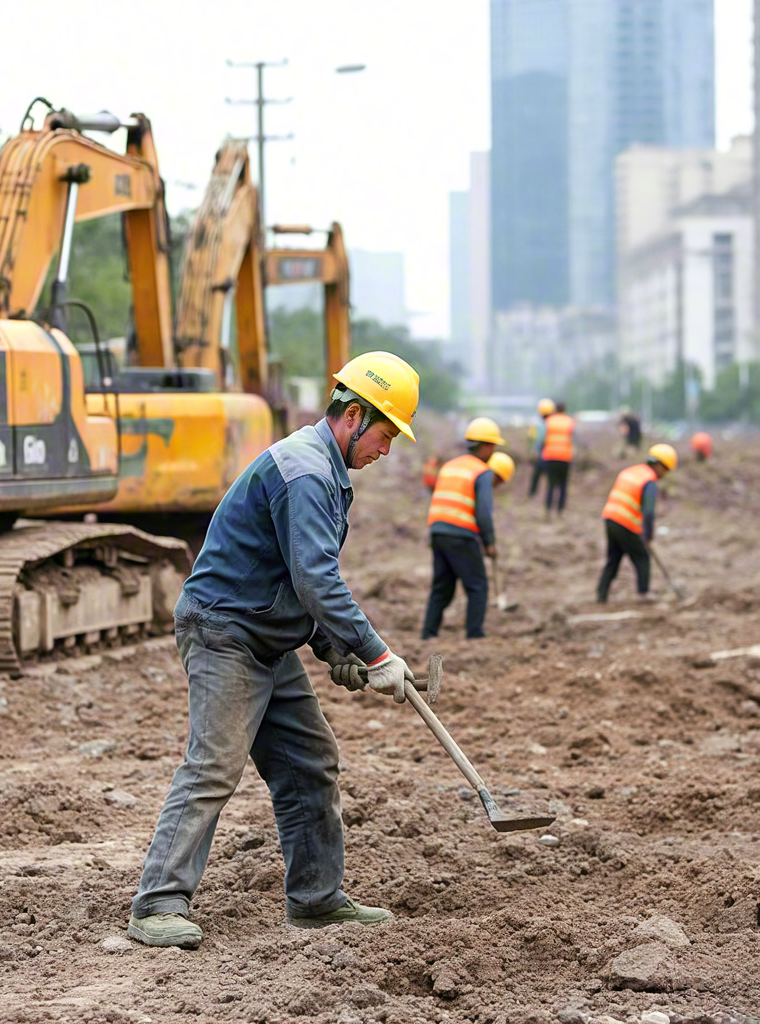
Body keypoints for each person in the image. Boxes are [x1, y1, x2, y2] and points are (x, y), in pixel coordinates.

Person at [128, 351, 420, 950]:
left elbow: (289, 576)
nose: (386, 450)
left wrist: (334, 648)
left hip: (264, 634)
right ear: (354, 416)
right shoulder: (307, 471)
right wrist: (374, 653)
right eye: (386, 435)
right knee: (214, 764)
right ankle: (157, 903)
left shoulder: (326, 470)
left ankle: (316, 899)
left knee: (310, 758)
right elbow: (316, 578)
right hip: (225, 631)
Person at [421, 416, 504, 640]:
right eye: (493, 446)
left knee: (441, 587)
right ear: (486, 446)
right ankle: (474, 635)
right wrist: (489, 542)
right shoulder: (482, 471)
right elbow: (483, 512)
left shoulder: (449, 466)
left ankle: (428, 633)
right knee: (478, 586)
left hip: (438, 531)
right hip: (461, 534)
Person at [596, 443, 677, 603]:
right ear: (660, 466)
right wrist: (648, 536)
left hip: (610, 518)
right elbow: (649, 512)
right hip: (625, 522)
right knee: (642, 557)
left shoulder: (631, 471)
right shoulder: (649, 481)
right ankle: (643, 593)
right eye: (666, 470)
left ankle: (601, 594)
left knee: (613, 558)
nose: (664, 474)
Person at [541, 401, 575, 516]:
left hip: (550, 456)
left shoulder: (549, 421)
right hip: (565, 457)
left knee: (550, 484)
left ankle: (548, 508)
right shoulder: (569, 421)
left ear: (555, 409)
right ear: (565, 409)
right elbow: (574, 437)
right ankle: (560, 510)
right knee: (563, 485)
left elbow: (542, 438)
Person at [528, 398, 556, 498]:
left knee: (537, 473)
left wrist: (533, 449)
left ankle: (532, 492)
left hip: (544, 453)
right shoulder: (553, 423)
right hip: (551, 454)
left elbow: (535, 439)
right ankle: (549, 495)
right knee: (550, 476)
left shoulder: (538, 424)